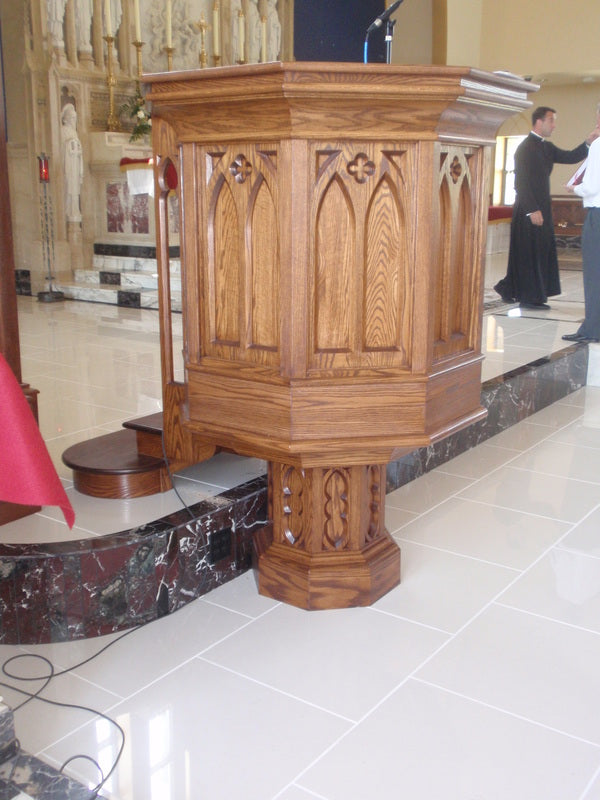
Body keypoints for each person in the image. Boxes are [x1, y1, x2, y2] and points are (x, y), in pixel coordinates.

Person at [494, 106, 597, 310]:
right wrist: (532, 210)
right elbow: (521, 183)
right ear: (539, 122)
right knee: (527, 252)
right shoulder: (524, 149)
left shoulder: (546, 147)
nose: (554, 125)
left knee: (538, 251)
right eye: (551, 120)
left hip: (542, 207)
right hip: (528, 209)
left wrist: (588, 142)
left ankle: (510, 288)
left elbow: (570, 156)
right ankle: (529, 297)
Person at [562, 103, 600, 343]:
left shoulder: (598, 145)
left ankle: (592, 329)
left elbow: (593, 186)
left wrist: (575, 188)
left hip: (598, 215)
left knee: (594, 275)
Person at [61, 103, 83, 222]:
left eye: (75, 118)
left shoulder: (74, 132)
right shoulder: (63, 130)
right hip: (69, 163)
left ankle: (75, 209)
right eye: (73, 118)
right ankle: (70, 210)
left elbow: (77, 146)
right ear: (66, 119)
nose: (74, 120)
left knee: (75, 188)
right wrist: (71, 146)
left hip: (75, 162)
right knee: (70, 186)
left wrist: (78, 149)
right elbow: (62, 147)